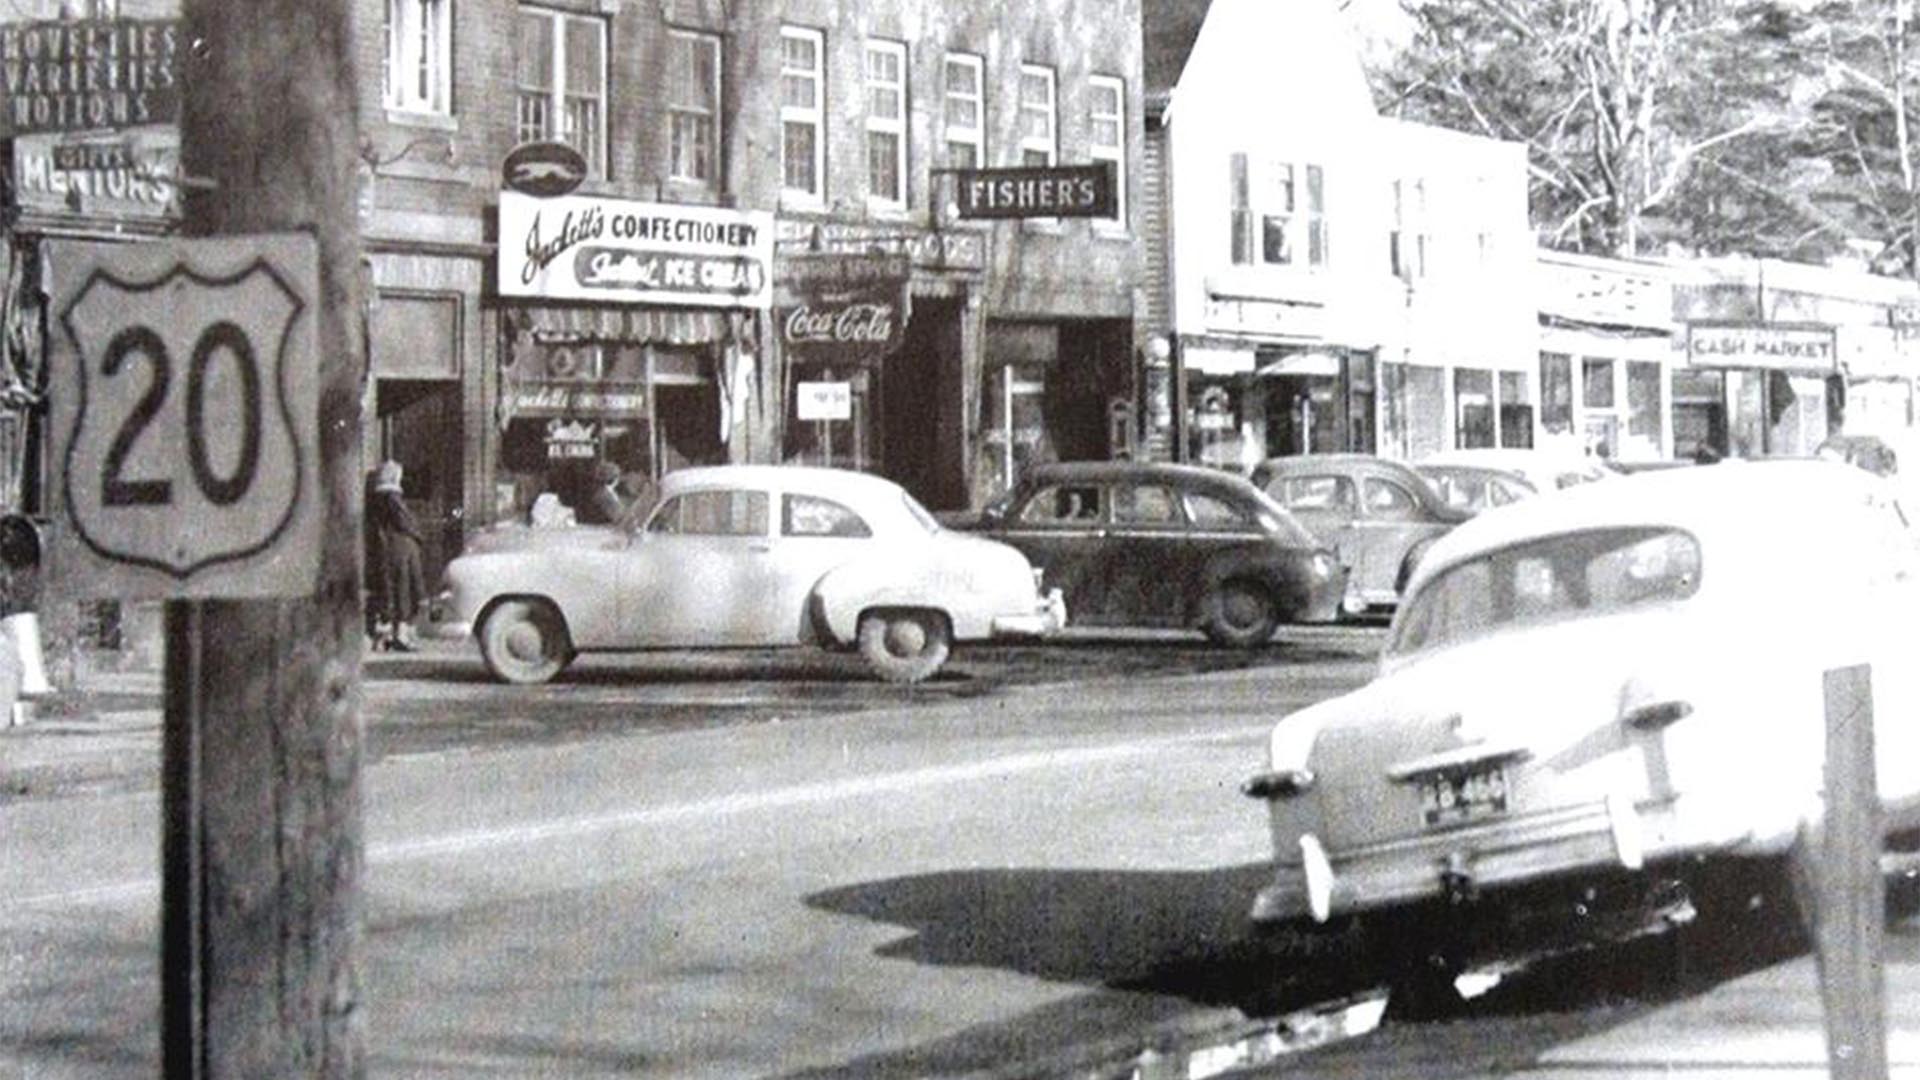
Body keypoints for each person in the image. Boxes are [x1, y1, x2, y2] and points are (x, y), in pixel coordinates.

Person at [367, 460, 426, 652]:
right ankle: (400, 635)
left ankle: (382, 637)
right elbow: (405, 522)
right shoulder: (392, 497)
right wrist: (418, 536)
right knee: (403, 592)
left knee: (387, 591)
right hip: (400, 548)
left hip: (384, 548)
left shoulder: (374, 498)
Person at [581, 460, 628, 525]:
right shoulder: (605, 495)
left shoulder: (601, 492)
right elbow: (618, 517)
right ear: (614, 478)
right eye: (618, 476)